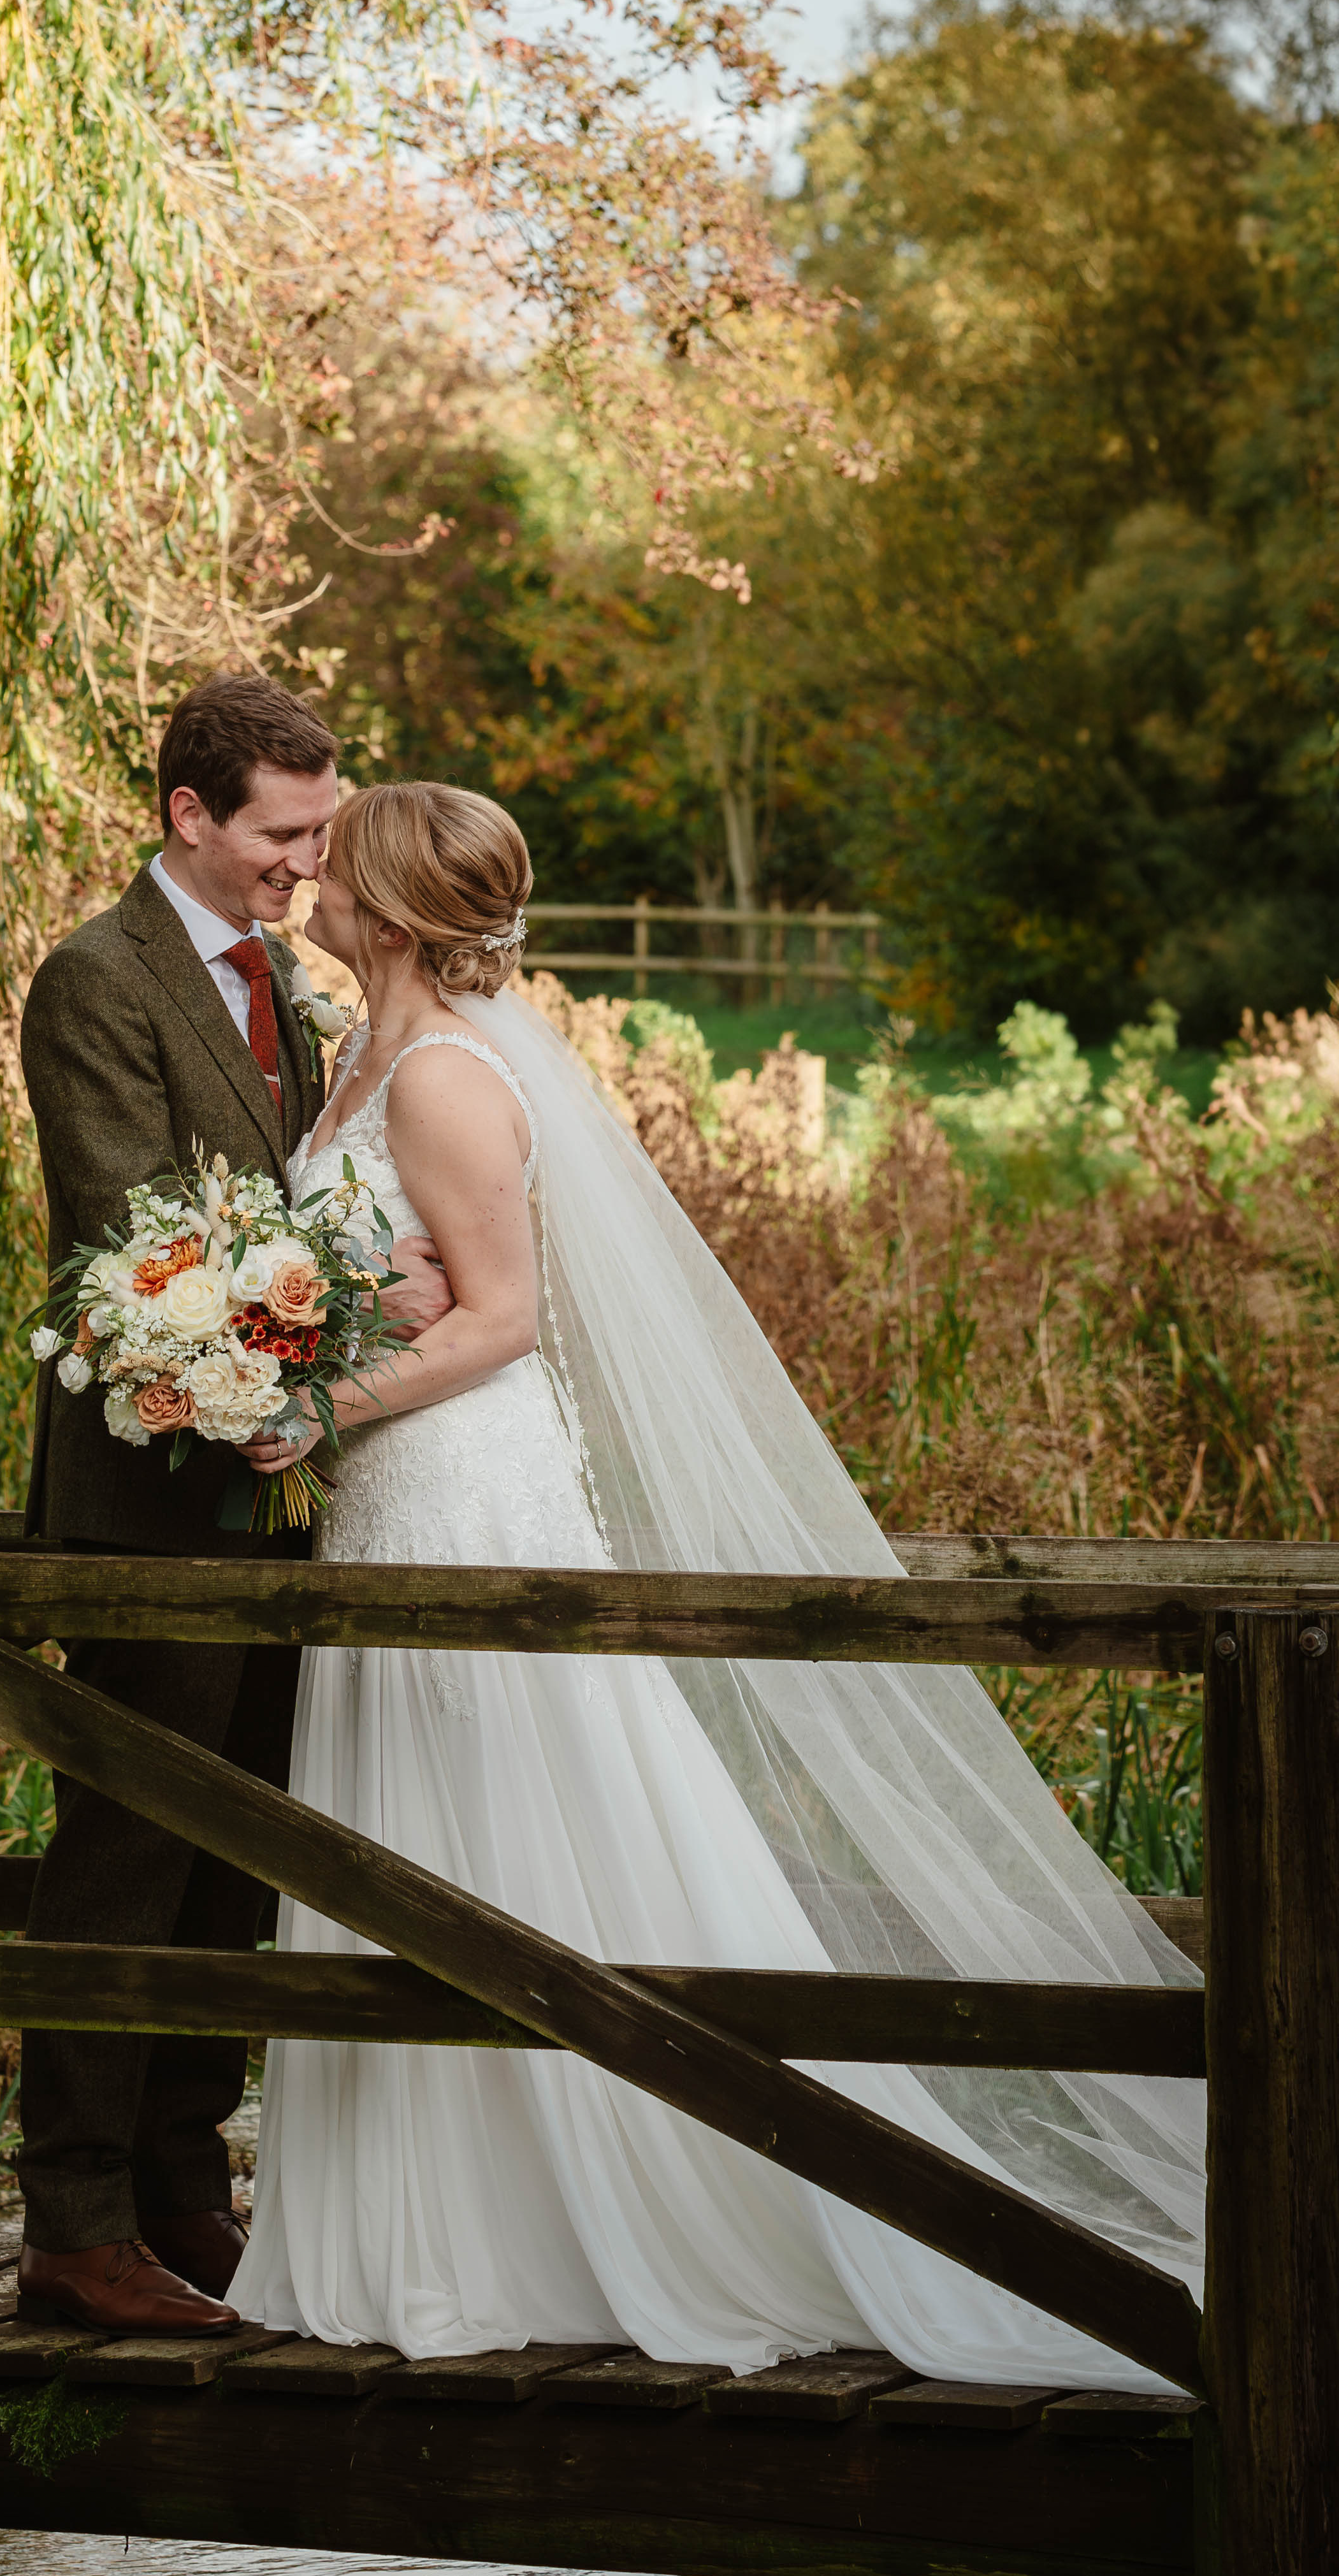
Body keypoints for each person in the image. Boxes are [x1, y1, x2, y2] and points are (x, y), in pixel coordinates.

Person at [228, 781, 1206, 2390]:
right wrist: (310, 1328)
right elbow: (395, 1282)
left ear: (394, 913)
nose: (312, 876)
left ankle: (619, 2202)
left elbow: (502, 1318)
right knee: (414, 1836)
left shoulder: (449, 1081)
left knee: (522, 1826)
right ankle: (437, 2217)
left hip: (466, 1498)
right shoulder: (363, 1055)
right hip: (391, 1497)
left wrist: (311, 1406)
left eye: (339, 861)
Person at [14, 676, 454, 2337]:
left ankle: (185, 2184)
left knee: (241, 1858)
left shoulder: (286, 979)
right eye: (283, 833)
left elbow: (293, 1200)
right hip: (149, 1494)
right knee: (127, 1848)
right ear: (192, 816)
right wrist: (331, 1334)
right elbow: (137, 1248)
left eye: (319, 832)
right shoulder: (97, 980)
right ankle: (72, 2221)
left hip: (284, 1497)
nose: (306, 863)